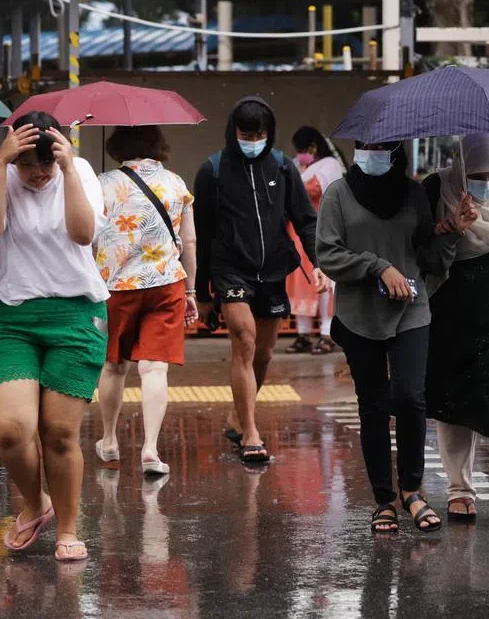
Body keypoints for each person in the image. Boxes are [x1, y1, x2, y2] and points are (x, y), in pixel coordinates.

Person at [0, 112, 109, 564]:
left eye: (45, 163)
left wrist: (67, 169)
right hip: (15, 317)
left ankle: (67, 528)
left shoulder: (79, 171)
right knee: (11, 430)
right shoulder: (2, 174)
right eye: (27, 164)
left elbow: (83, 233)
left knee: (59, 433)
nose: (37, 174)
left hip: (77, 316)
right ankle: (36, 504)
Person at [316, 140, 473, 534]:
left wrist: (452, 231)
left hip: (411, 309)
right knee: (372, 406)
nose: (373, 151)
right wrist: (378, 267)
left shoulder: (413, 194)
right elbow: (328, 254)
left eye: (382, 145)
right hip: (359, 314)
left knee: (410, 397)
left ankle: (413, 491)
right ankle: (384, 500)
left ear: (396, 149)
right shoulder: (338, 194)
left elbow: (428, 257)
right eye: (366, 145)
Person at [192, 97, 325, 464]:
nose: (253, 141)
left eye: (259, 134)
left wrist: (318, 261)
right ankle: (251, 432)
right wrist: (203, 292)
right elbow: (203, 233)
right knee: (245, 341)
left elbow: (305, 219)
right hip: (230, 269)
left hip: (272, 270)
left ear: (269, 133)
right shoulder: (213, 171)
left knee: (264, 354)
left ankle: (238, 417)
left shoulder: (282, 167)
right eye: (246, 134)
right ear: (233, 132)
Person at [423, 134, 489, 537]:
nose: (487, 183)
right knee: (452, 400)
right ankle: (458, 491)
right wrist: (451, 228)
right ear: (461, 170)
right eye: (477, 176)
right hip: (452, 314)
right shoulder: (437, 192)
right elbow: (424, 255)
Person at [93, 125, 197, 476]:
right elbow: (189, 242)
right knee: (154, 368)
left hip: (115, 286)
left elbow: (88, 238)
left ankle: (109, 440)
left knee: (113, 366)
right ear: (157, 145)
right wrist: (191, 290)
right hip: (166, 284)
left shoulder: (102, 183)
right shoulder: (176, 183)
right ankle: (150, 448)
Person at [284, 126, 345, 355]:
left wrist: (294, 182)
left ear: (313, 147)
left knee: (325, 282)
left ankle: (327, 334)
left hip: (323, 231)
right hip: (298, 233)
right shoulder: (297, 165)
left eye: (302, 149)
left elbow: (314, 189)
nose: (299, 154)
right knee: (300, 282)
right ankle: (303, 334)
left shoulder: (329, 165)